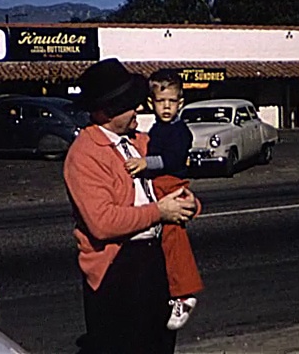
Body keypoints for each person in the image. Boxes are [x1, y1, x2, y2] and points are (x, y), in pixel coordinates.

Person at [63, 58, 202, 354]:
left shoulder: (141, 141)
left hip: (155, 260)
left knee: (159, 343)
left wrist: (189, 203)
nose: (139, 108)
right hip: (118, 268)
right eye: (130, 104)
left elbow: (169, 177)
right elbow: (102, 222)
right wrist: (160, 212)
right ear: (108, 112)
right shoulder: (84, 155)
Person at [123, 69, 204, 331]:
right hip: (159, 186)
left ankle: (185, 293)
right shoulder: (157, 129)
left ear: (181, 102)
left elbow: (170, 161)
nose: (166, 106)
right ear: (151, 103)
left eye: (172, 101)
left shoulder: (179, 132)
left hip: (170, 184)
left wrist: (145, 163)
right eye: (161, 101)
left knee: (173, 239)